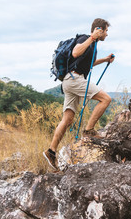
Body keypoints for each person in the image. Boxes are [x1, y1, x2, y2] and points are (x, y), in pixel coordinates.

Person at [43, 18, 114, 170]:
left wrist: (105, 59)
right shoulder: (85, 39)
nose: (107, 34)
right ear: (99, 30)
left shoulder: (92, 45)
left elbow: (88, 64)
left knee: (67, 119)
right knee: (105, 99)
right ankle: (88, 131)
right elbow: (75, 52)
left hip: (69, 80)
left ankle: (51, 151)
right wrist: (92, 37)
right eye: (106, 31)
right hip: (75, 79)